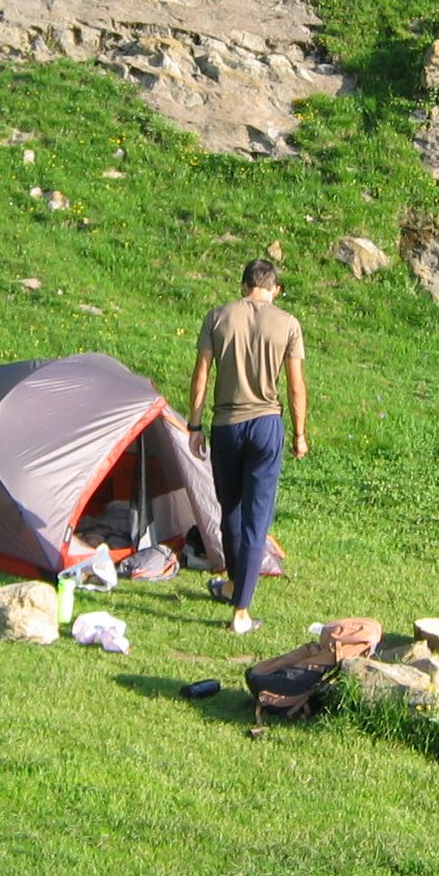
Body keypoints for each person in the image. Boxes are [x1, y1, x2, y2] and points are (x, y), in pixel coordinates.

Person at [186, 258, 308, 636]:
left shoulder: (217, 317)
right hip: (266, 424)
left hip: (226, 425)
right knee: (257, 518)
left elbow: (202, 374)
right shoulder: (288, 323)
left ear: (243, 286)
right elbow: (295, 386)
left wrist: (194, 423)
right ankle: (241, 611)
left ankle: (233, 586)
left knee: (231, 513)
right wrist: (300, 434)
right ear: (274, 289)